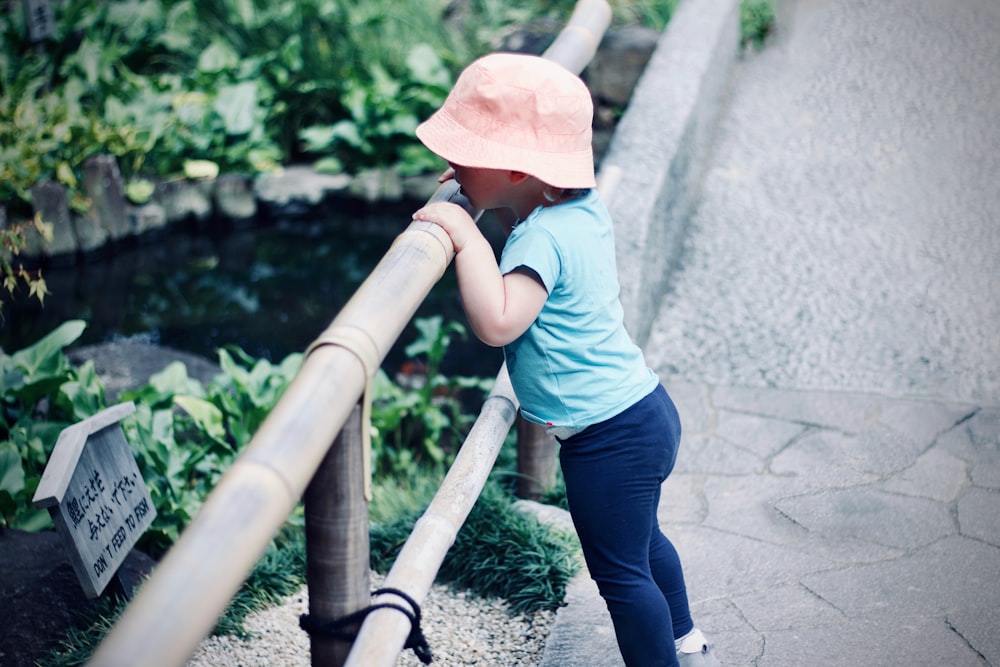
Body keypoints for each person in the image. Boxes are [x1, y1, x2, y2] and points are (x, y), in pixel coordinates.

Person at [411, 52, 720, 667]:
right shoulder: (575, 209)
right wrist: (476, 193)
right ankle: (687, 641)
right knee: (643, 542)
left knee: (621, 577)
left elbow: (498, 321)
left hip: (609, 439)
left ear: (520, 170)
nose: (449, 165)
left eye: (467, 153)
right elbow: (516, 206)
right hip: (641, 412)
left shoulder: (540, 238)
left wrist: (464, 230)